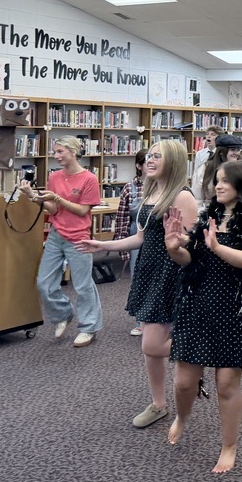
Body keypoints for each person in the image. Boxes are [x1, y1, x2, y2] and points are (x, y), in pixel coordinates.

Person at [78, 140, 198, 428]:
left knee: (151, 345)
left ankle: (201, 345)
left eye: (159, 156)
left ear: (174, 162)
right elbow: (142, 237)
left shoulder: (182, 197)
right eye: (150, 156)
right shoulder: (152, 191)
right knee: (150, 346)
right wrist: (104, 245)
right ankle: (159, 404)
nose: (151, 160)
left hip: (173, 275)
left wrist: (178, 247)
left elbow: (193, 249)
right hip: (149, 271)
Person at [164, 160, 242, 474]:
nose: (218, 186)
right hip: (198, 302)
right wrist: (174, 247)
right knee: (184, 382)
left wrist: (216, 246)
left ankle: (229, 445)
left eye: (225, 181)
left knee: (225, 383)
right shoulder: (209, 214)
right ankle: (182, 417)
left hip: (235, 305)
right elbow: (189, 261)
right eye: (216, 181)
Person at [20, 136, 102, 348]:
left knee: (83, 286)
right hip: (57, 235)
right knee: (44, 283)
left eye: (59, 152)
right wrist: (33, 196)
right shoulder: (55, 177)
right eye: (54, 152)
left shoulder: (89, 179)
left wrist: (58, 199)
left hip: (79, 237)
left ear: (73, 152)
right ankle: (63, 314)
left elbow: (83, 210)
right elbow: (54, 209)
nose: (55, 156)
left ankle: (88, 328)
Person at [114, 148, 147, 336]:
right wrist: (123, 250)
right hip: (136, 234)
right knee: (138, 278)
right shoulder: (129, 188)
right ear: (138, 166)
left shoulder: (163, 186)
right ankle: (140, 320)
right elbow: (121, 220)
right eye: (147, 161)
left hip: (157, 236)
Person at [197, 135, 242, 206]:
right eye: (233, 150)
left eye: (238, 150)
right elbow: (198, 197)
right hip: (211, 210)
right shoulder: (205, 168)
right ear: (221, 152)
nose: (236, 153)